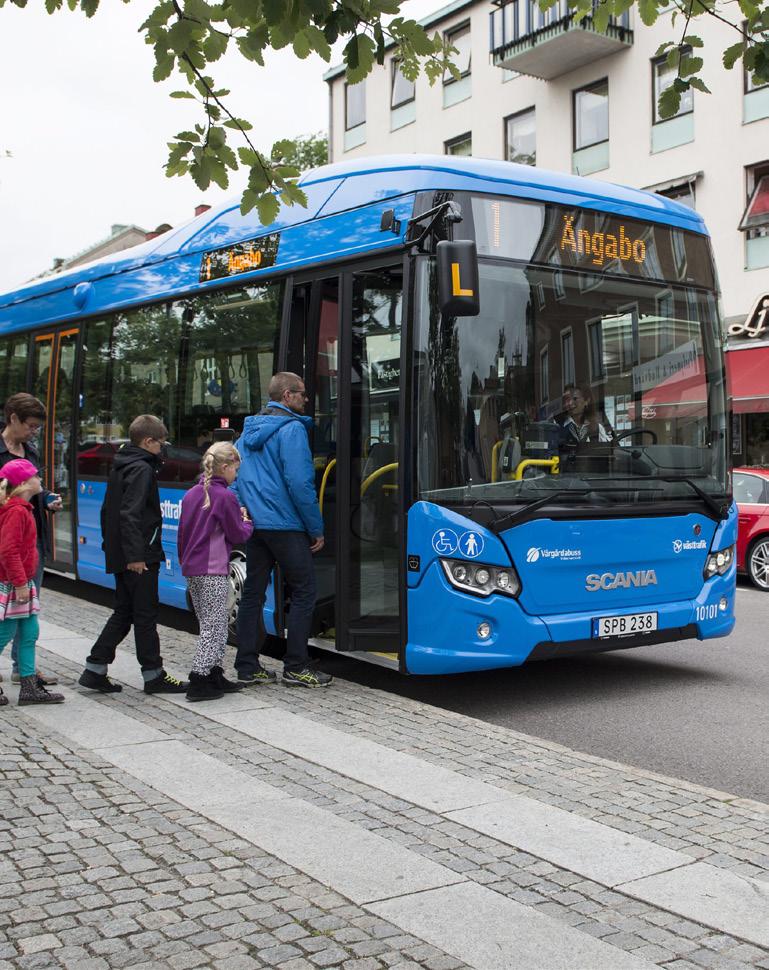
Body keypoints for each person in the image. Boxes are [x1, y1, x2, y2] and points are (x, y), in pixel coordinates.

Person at [233, 372, 332, 689]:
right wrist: (315, 528)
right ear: (287, 395)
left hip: (256, 527)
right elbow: (300, 484)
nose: (306, 400)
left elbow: (232, 479)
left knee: (252, 594)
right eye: (302, 394)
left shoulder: (245, 433)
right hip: (286, 525)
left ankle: (248, 666)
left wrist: (244, 511)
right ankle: (296, 666)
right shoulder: (292, 430)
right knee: (305, 592)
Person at [78, 414, 188, 695]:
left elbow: (108, 511)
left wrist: (113, 549)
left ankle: (95, 668)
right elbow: (131, 514)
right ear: (148, 440)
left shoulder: (121, 464)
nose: (163, 448)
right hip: (139, 556)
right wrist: (136, 555)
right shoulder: (141, 469)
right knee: (145, 614)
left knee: (124, 611)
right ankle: (154, 675)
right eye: (161, 443)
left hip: (121, 553)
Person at [177, 442, 254, 702]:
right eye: (235, 469)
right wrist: (246, 522)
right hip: (212, 569)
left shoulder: (191, 494)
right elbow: (236, 533)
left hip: (192, 568)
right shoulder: (225, 497)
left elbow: (182, 534)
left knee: (209, 623)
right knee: (215, 627)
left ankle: (214, 673)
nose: (237, 475)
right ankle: (199, 679)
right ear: (224, 467)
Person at [0, 393, 61, 687]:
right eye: (31, 426)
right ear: (13, 418)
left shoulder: (30, 450)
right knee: (7, 613)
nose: (34, 432)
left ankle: (23, 669)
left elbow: (34, 484)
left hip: (31, 538)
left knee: (27, 610)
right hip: (7, 541)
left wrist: (47, 497)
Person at [0, 459, 65, 705]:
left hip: (23, 582)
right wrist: (19, 584)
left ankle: (29, 688)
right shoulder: (17, 511)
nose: (41, 481)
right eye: (37, 477)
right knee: (5, 632)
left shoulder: (22, 508)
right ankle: (28, 687)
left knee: (29, 633)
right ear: (26, 483)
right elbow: (8, 551)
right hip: (16, 583)